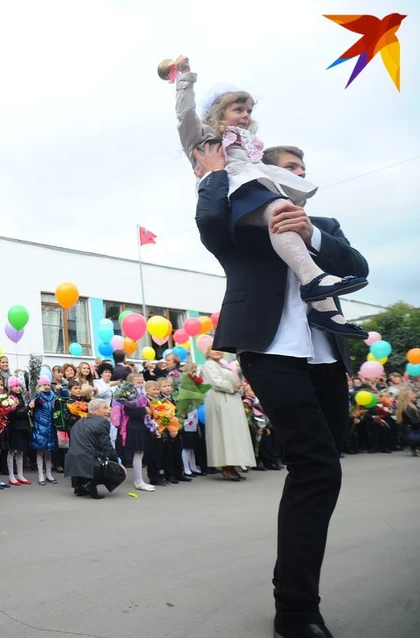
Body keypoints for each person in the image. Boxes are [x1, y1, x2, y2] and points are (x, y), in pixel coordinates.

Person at [195, 141, 370, 638]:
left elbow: (357, 266)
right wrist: (212, 175)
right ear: (266, 174)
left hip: (326, 355)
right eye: (289, 168)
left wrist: (310, 230)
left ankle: (293, 593)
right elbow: (210, 226)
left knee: (321, 469)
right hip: (268, 350)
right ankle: (295, 610)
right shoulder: (242, 220)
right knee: (315, 465)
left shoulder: (324, 227)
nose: (299, 174)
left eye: (303, 169)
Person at [173, 55, 367, 336]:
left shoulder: (249, 146)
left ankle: (327, 312)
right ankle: (313, 278)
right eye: (239, 109)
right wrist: (184, 80)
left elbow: (358, 266)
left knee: (286, 217)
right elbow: (184, 116)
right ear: (218, 113)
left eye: (249, 110)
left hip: (256, 191)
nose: (246, 115)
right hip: (235, 194)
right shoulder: (205, 139)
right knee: (279, 210)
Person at [201, 350, 256, 481]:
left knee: (233, 433)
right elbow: (216, 382)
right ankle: (226, 465)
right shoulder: (209, 365)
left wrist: (240, 387)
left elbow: (235, 381)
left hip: (232, 400)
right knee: (224, 432)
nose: (217, 352)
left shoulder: (223, 365)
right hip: (220, 400)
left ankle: (233, 463)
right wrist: (234, 387)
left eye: (219, 350)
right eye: (213, 350)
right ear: (207, 352)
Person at [65, 399, 118, 499]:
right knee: (115, 469)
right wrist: (116, 462)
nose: (108, 411)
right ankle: (91, 484)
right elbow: (106, 446)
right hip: (89, 460)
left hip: (72, 458)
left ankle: (79, 486)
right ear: (94, 411)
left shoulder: (79, 421)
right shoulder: (102, 423)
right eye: (105, 408)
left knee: (82, 454)